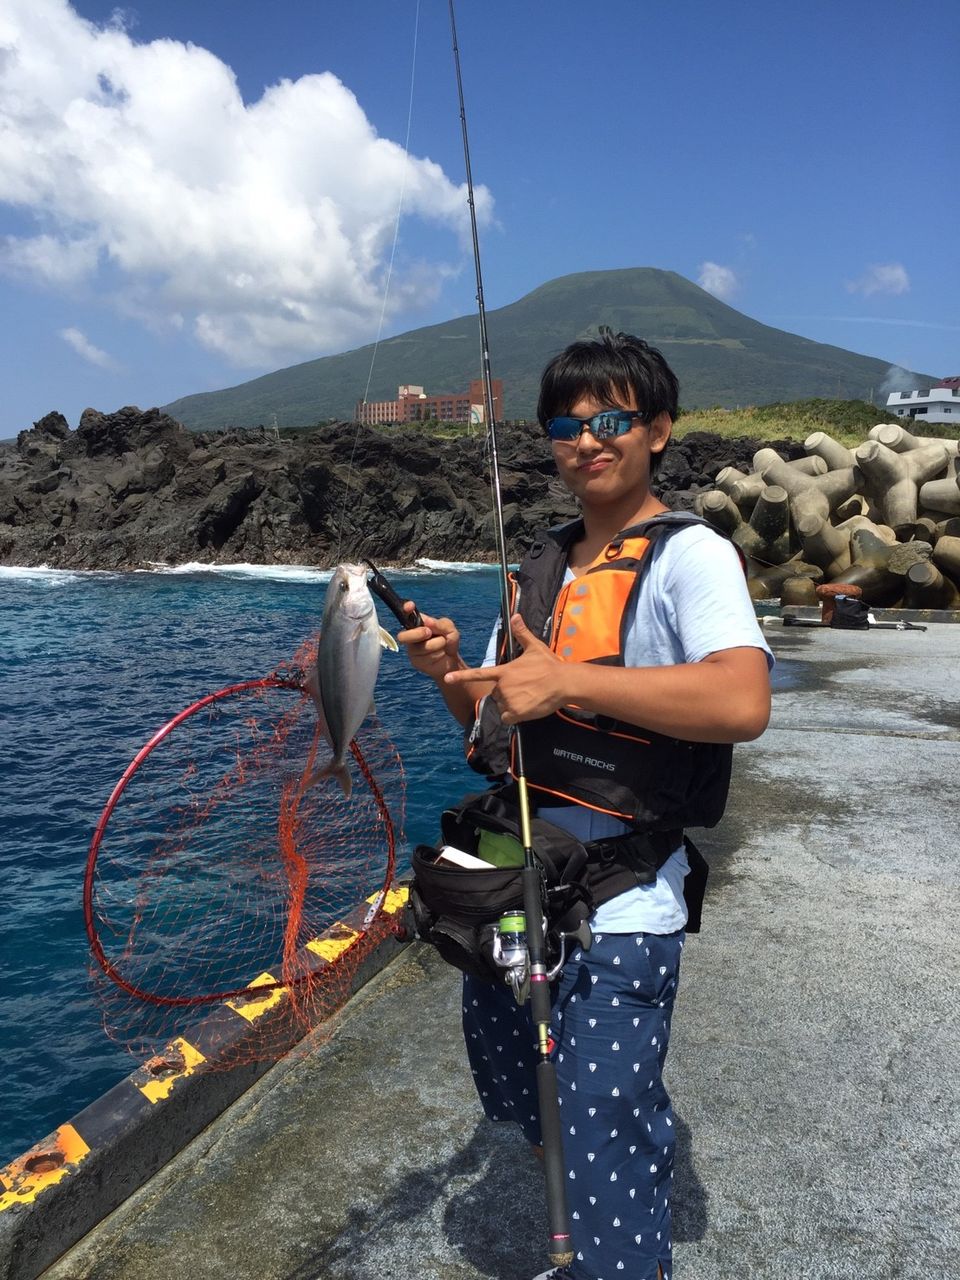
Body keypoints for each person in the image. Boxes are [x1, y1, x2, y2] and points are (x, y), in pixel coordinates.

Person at [398, 329, 772, 1280]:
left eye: (611, 420)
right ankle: (556, 1171)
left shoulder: (693, 557)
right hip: (521, 877)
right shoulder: (540, 566)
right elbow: (492, 720)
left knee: (604, 1133)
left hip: (623, 893)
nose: (587, 440)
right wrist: (452, 671)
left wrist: (572, 683)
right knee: (520, 1086)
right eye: (566, 425)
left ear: (657, 431)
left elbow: (741, 702)